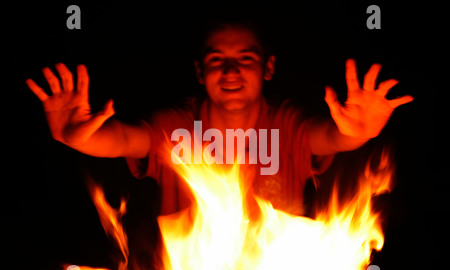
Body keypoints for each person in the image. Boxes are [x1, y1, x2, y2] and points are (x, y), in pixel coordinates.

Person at [25, 21, 413, 217]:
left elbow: (330, 137)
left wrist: (357, 133)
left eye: (245, 59)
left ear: (268, 68)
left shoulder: (286, 125)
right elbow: (121, 140)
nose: (230, 71)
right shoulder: (175, 127)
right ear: (199, 72)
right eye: (217, 60)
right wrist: (74, 137)